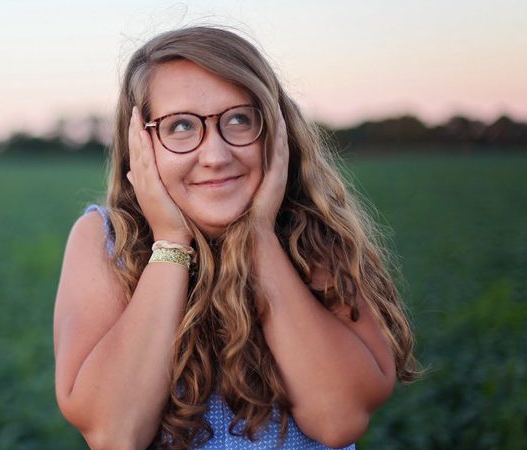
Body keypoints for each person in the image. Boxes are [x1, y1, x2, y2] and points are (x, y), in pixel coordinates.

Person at [52, 26, 419, 450]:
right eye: (181, 126)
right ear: (140, 142)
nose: (216, 155)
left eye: (240, 119)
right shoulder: (104, 240)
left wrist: (259, 236)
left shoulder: (312, 235)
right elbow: (115, 433)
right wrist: (171, 242)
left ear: (276, 129)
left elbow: (338, 419)